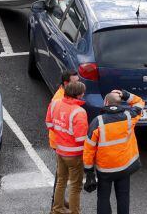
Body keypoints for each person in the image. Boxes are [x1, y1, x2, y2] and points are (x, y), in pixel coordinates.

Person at [83, 90, 145, 214]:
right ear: (119, 103)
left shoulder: (97, 122)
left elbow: (88, 150)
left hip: (105, 170)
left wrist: (89, 172)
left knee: (103, 198)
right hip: (124, 167)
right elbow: (140, 102)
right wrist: (125, 94)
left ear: (106, 102)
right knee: (123, 197)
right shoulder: (129, 117)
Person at [46, 81, 88, 214]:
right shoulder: (79, 112)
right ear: (79, 95)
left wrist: (62, 135)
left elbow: (49, 124)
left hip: (60, 150)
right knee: (75, 186)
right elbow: (81, 139)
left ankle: (57, 209)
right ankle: (75, 212)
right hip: (74, 155)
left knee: (61, 181)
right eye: (83, 92)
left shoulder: (55, 104)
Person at [47, 70, 80, 150]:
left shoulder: (67, 92)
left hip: (61, 141)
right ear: (66, 83)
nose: (78, 84)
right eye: (75, 82)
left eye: (78, 81)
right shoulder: (60, 100)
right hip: (61, 143)